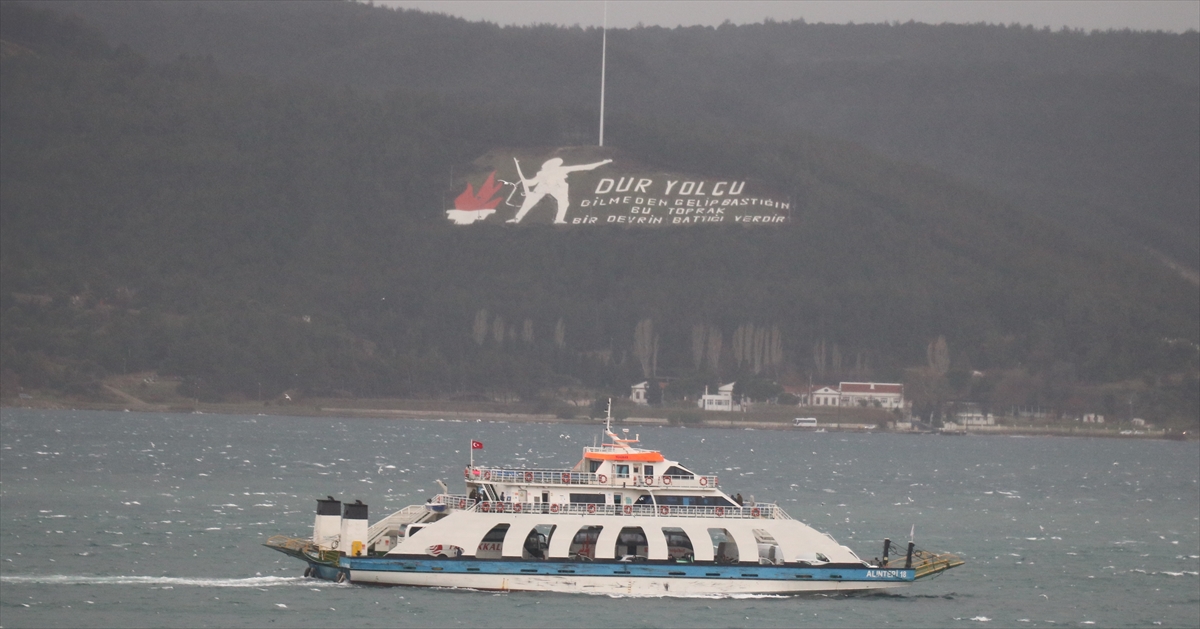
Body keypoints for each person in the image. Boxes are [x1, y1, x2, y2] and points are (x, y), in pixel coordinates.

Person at [507, 157, 612, 224]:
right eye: (552, 165)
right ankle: (517, 218)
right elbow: (532, 183)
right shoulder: (542, 173)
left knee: (564, 202)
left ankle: (559, 220)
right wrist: (525, 181)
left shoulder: (562, 169)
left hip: (557, 188)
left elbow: (585, 167)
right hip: (543, 187)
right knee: (529, 201)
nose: (555, 166)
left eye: (555, 164)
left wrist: (601, 163)